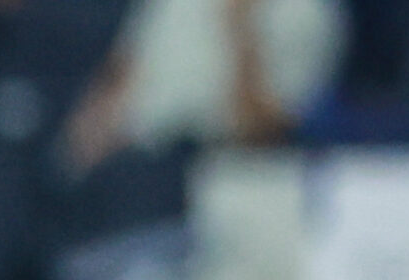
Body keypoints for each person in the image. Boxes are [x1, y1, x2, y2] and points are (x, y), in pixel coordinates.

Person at [63, 0, 347, 171]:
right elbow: (122, 66)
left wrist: (240, 28)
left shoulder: (307, 14)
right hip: (131, 155)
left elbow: (264, 130)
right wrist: (87, 134)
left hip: (216, 167)